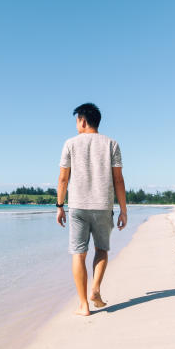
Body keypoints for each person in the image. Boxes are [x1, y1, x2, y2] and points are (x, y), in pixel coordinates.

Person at [56, 102, 127, 316]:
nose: (77, 125)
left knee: (78, 254)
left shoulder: (70, 143)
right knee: (102, 249)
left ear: (83, 120)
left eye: (77, 120)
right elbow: (119, 180)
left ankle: (84, 305)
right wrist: (123, 209)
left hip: (77, 206)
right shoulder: (111, 144)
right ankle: (95, 288)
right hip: (102, 206)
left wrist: (59, 206)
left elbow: (63, 178)